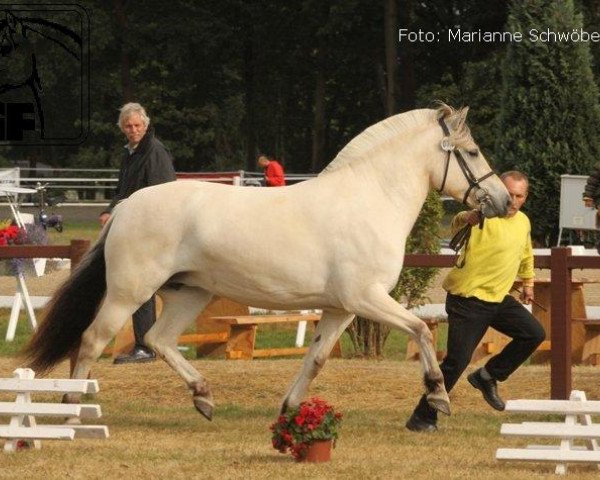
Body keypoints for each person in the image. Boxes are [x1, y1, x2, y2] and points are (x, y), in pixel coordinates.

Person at [406, 170, 545, 432]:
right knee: (456, 362)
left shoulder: (523, 222)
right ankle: (422, 417)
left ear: (525, 198)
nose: (513, 201)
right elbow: (459, 221)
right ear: (499, 192)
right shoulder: (482, 214)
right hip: (467, 300)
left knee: (533, 333)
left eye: (519, 196)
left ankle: (487, 376)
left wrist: (528, 284)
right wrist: (468, 217)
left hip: (498, 299)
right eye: (509, 194)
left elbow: (526, 255)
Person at [100, 102, 176, 364]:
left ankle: (146, 346)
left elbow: (163, 192)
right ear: (123, 128)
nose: (133, 130)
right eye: (128, 126)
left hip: (150, 229)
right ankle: (154, 341)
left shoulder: (154, 151)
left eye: (137, 125)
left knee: (140, 286)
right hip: (133, 225)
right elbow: (123, 190)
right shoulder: (130, 153)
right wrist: (109, 209)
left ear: (146, 125)